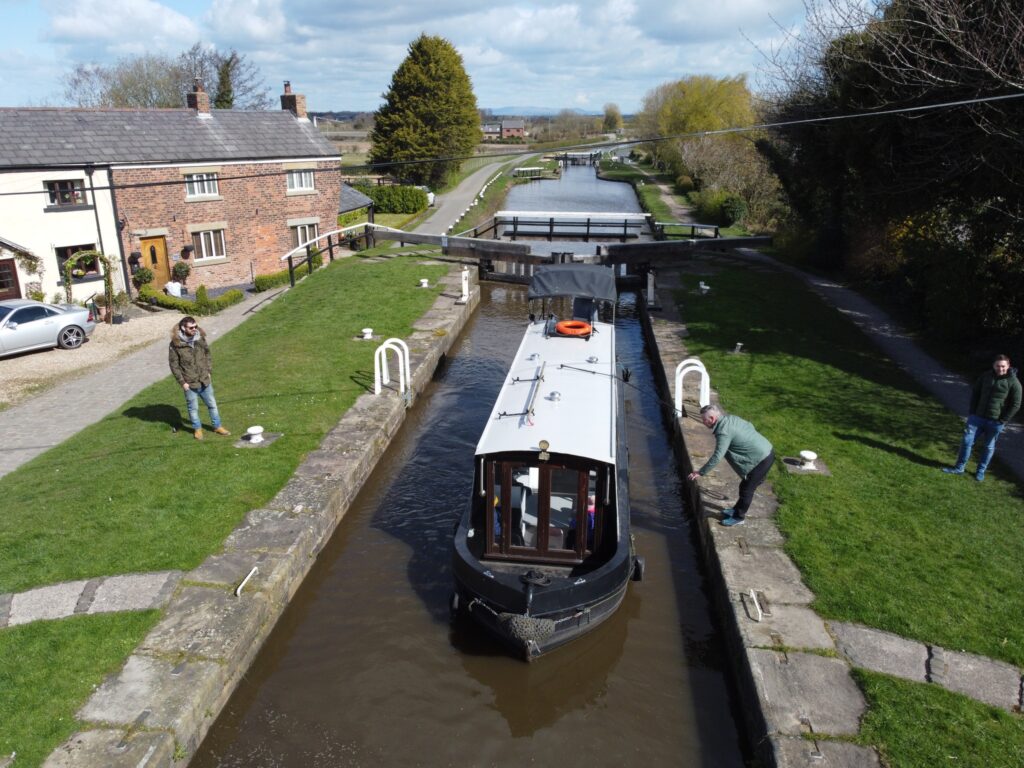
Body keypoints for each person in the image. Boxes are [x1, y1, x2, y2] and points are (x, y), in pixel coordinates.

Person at [687, 404, 774, 527]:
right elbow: (749, 425)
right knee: (744, 485)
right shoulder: (730, 418)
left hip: (762, 459)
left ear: (712, 419)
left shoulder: (723, 432)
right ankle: (735, 510)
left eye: (704, 419)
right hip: (766, 449)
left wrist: (700, 472)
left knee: (747, 490)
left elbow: (717, 456)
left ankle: (739, 517)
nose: (703, 422)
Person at [942, 354, 1021, 482]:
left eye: (1003, 366)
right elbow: (976, 393)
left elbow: (1016, 404)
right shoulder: (986, 376)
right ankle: (959, 468)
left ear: (1008, 366)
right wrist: (972, 412)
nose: (1000, 369)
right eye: (997, 366)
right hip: (976, 418)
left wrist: (1002, 420)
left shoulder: (1014, 382)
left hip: (995, 422)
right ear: (993, 365)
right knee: (966, 442)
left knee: (989, 447)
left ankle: (980, 472)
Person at [168, 316, 230, 440]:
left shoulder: (200, 338)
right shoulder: (175, 344)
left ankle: (217, 426)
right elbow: (174, 365)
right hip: (189, 383)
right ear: (183, 328)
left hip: (204, 380)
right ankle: (197, 429)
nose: (194, 329)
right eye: (191, 327)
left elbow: (207, 354)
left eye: (195, 326)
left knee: (212, 405)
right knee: (193, 408)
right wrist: (182, 382)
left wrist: (208, 371)